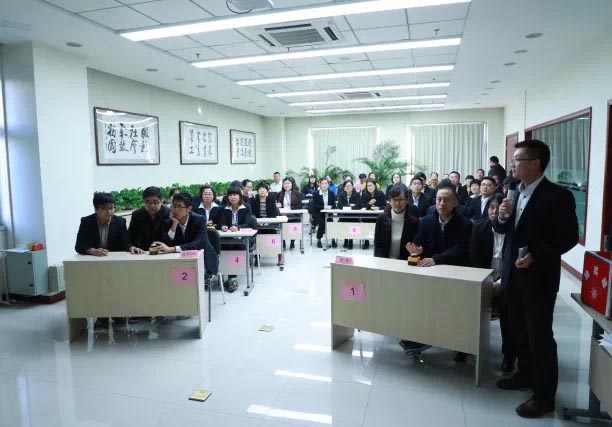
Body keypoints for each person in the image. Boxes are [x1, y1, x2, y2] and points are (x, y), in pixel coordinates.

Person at [494, 139, 578, 418]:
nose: (512, 164)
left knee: (539, 336)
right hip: (513, 274)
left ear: (535, 163)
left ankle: (544, 396)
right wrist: (502, 217)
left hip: (539, 277)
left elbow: (568, 238)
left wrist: (536, 255)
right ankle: (524, 374)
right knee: (518, 330)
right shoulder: (514, 190)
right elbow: (505, 230)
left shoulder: (557, 196)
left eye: (517, 159)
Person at [402, 180, 473, 358]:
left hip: (455, 271)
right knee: (425, 305)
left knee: (456, 310)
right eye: (439, 199)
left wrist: (436, 259)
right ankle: (420, 337)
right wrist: (417, 251)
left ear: (455, 202)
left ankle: (461, 346)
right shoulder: (426, 220)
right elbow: (419, 242)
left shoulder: (465, 224)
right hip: (431, 272)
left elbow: (460, 249)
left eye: (446, 200)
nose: (441, 203)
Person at [469, 194, 515, 374]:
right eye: (491, 208)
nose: (495, 212)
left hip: (507, 281)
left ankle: (509, 356)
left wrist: (501, 282)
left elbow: (514, 262)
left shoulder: (514, 230)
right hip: (482, 279)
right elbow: (474, 258)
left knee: (509, 317)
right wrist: (487, 282)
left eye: (498, 208)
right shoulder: (479, 228)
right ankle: (465, 348)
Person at [156, 192, 218, 276]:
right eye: (173, 206)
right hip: (180, 260)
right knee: (166, 274)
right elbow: (166, 244)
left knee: (189, 276)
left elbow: (199, 243)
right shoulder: (169, 222)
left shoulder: (199, 220)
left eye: (179, 206)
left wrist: (173, 249)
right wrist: (174, 224)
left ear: (189, 209)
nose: (175, 210)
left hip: (204, 260)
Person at [216, 186, 257, 292]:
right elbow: (220, 222)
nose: (232, 197)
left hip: (243, 238)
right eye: (230, 195)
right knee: (225, 247)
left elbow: (248, 223)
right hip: (228, 238)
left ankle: (231, 278)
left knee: (235, 247)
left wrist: (238, 228)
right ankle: (228, 276)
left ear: (240, 196)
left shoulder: (246, 207)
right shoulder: (223, 208)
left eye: (235, 195)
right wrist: (223, 226)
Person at [374, 184, 419, 260]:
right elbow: (378, 245)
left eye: (401, 199)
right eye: (395, 200)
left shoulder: (414, 222)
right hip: (384, 262)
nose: (398, 203)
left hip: (404, 262)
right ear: (390, 201)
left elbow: (413, 247)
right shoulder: (381, 219)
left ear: (407, 200)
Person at [128, 186, 171, 252]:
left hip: (165, 252)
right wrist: (132, 247)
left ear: (161, 201)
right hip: (143, 252)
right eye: (147, 202)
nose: (152, 205)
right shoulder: (137, 215)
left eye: (155, 202)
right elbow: (130, 237)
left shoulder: (169, 214)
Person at [250, 182, 282, 265]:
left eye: (264, 189)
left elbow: (274, 214)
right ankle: (257, 257)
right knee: (257, 237)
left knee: (274, 235)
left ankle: (278, 257)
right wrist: (259, 222)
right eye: (260, 189)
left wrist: (268, 222)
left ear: (267, 191)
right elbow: (252, 215)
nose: (262, 190)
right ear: (257, 191)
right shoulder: (253, 201)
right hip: (257, 225)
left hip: (270, 224)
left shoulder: (271, 200)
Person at [276, 177, 303, 249]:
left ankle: (292, 241)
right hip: (282, 216)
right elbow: (277, 205)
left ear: (292, 184)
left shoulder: (298, 194)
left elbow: (300, 206)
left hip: (294, 216)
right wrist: (278, 205)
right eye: (285, 183)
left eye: (288, 183)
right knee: (281, 225)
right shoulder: (279, 194)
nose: (286, 185)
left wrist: (290, 208)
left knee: (294, 224)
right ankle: (283, 241)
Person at [360, 178, 386, 249]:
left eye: (371, 185)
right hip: (367, 216)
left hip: (378, 216)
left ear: (375, 185)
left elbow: (385, 206)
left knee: (380, 223)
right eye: (368, 186)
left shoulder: (380, 193)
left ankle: (378, 242)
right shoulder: (364, 194)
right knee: (365, 223)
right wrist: (369, 203)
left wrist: (379, 208)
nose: (369, 187)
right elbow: (361, 206)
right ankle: (366, 242)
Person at [313, 177, 337, 248]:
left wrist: (331, 207)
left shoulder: (331, 193)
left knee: (331, 223)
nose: (324, 185)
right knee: (322, 223)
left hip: (328, 213)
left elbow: (334, 205)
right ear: (319, 185)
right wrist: (324, 207)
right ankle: (319, 239)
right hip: (318, 213)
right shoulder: (316, 194)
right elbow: (315, 205)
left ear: (328, 184)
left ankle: (333, 239)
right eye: (322, 183)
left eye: (326, 183)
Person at [337, 180, 361, 249]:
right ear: (344, 187)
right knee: (345, 222)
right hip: (344, 216)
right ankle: (345, 239)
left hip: (354, 216)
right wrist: (350, 206)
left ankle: (350, 241)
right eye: (346, 186)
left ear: (352, 187)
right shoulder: (341, 195)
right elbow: (340, 206)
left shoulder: (357, 194)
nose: (348, 187)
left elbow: (358, 206)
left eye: (349, 186)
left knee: (351, 222)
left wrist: (347, 207)